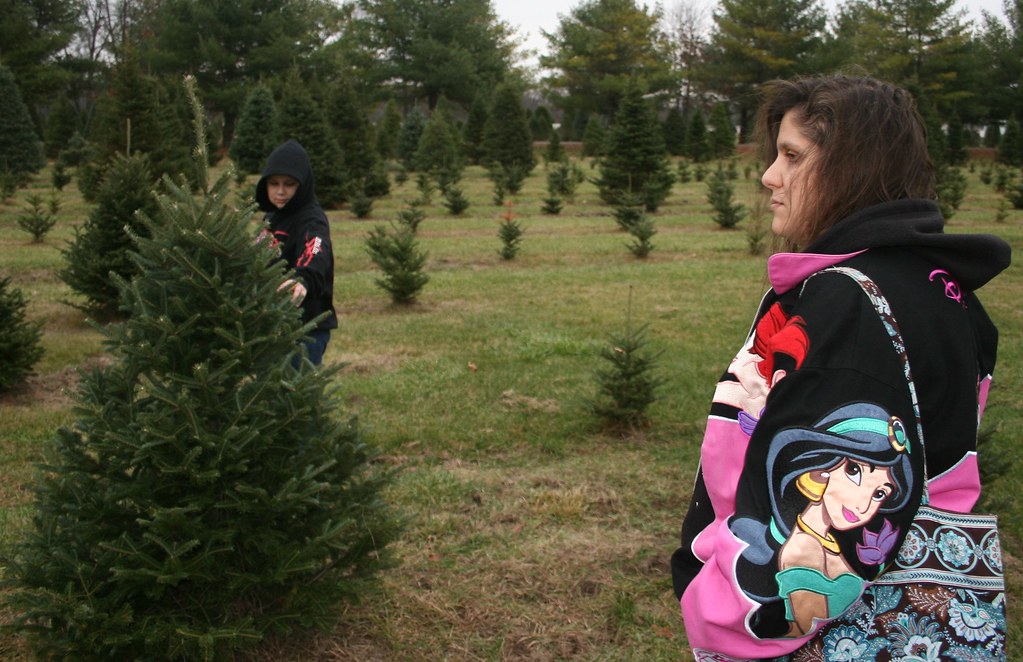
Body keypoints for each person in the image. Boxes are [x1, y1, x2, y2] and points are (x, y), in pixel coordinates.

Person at [670, 74, 1011, 659]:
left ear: (849, 168)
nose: (768, 176)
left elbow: (831, 510)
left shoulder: (847, 301)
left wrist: (722, 614)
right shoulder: (941, 288)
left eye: (792, 156)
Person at [255, 139, 337, 366]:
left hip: (305, 327)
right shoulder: (271, 217)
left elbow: (316, 248)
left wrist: (302, 279)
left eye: (289, 184)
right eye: (274, 183)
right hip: (272, 323)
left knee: (296, 389)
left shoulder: (312, 219)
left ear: (302, 184)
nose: (280, 191)